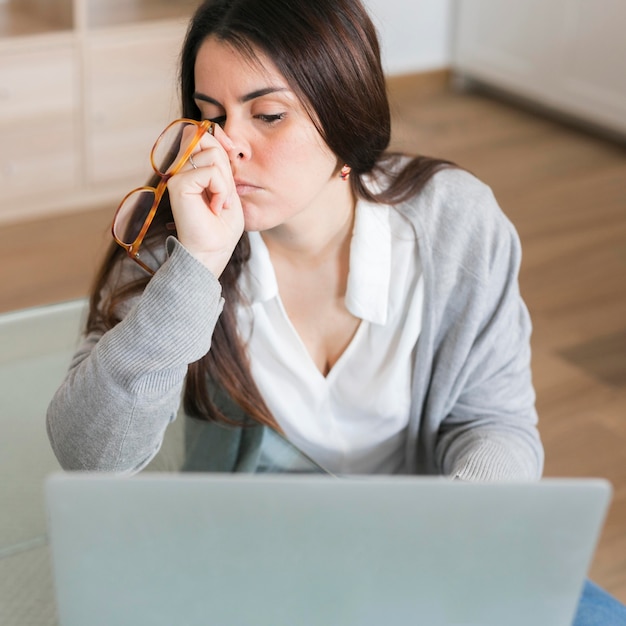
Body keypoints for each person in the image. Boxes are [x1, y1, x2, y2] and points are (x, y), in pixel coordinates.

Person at [46, 0, 626, 621]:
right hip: (256, 555)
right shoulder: (176, 241)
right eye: (210, 117)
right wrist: (195, 270)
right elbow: (90, 455)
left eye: (267, 114)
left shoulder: (458, 223)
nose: (226, 147)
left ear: (346, 118)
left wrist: (456, 529)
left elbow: (496, 425)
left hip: (425, 548)